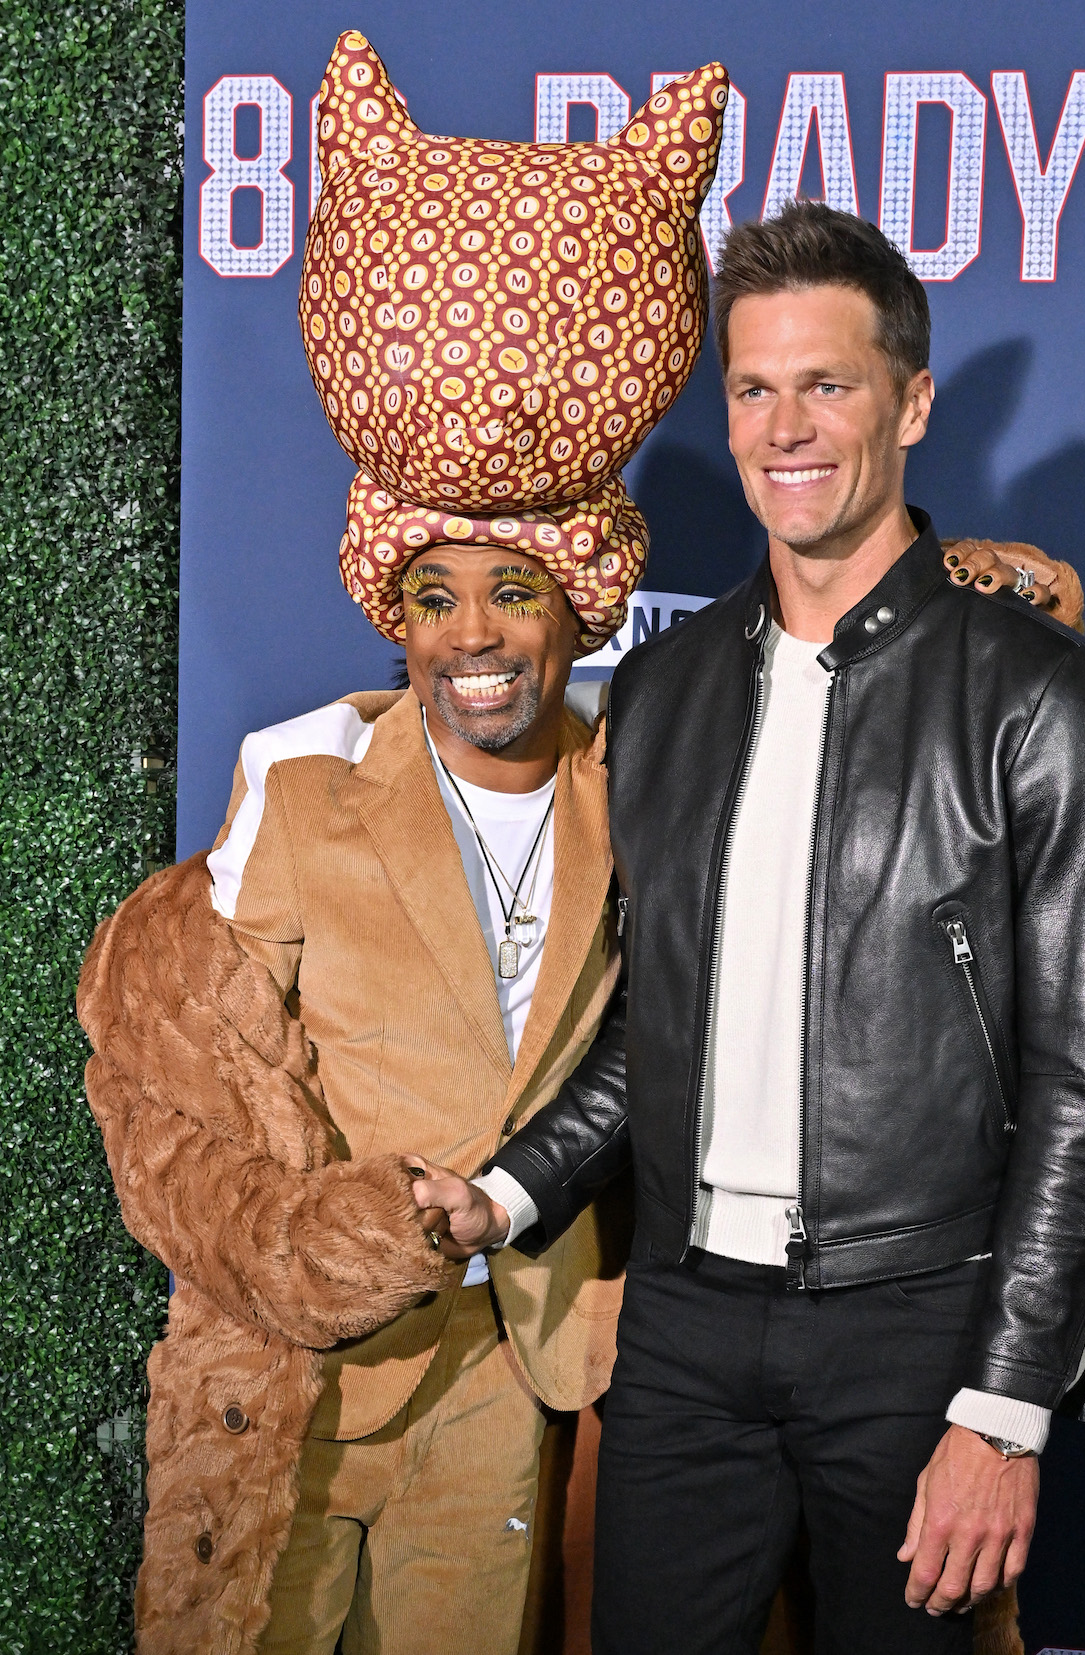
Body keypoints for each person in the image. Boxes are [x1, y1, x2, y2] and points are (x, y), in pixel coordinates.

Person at [423, 201, 1085, 1655]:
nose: (785, 426)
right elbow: (655, 1027)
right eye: (753, 388)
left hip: (916, 1331)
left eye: (827, 382)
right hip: (688, 1327)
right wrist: (504, 1196)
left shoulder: (1041, 696)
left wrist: (1005, 1407)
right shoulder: (667, 690)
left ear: (912, 401)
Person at [75, 35, 731, 1655]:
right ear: (396, 611)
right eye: (436, 599)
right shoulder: (303, 784)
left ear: (582, 603)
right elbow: (168, 1079)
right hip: (309, 1384)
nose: (476, 638)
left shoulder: (639, 780)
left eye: (517, 593)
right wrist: (312, 1242)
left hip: (523, 1380)